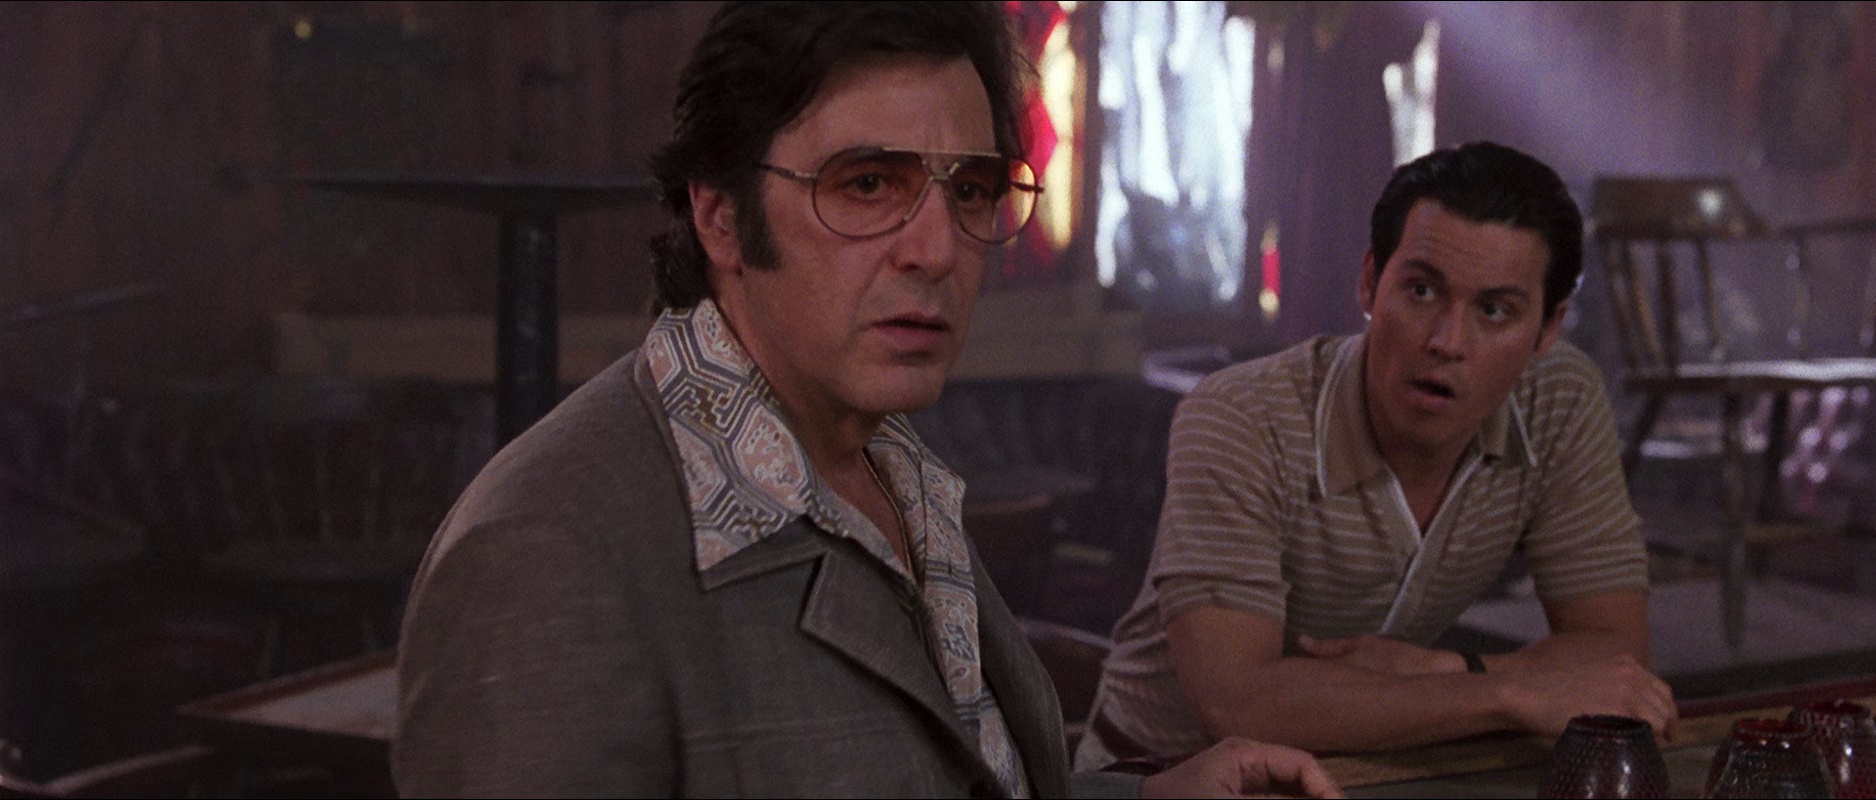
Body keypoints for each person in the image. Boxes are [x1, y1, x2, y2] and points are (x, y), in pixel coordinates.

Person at [391, 3, 1340, 797]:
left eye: (971, 189)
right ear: (720, 215)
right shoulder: (550, 548)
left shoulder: (891, 466)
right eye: (869, 184)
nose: (936, 249)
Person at [1075, 141, 1679, 767]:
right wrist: (1509, 691)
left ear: (1548, 329)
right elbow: (1237, 703)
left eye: (1494, 310)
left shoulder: (1559, 401)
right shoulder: (1241, 416)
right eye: (1421, 291)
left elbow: (1617, 658)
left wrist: (1450, 667)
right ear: (1370, 282)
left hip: (1367, 767)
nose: (1447, 341)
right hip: (1158, 772)